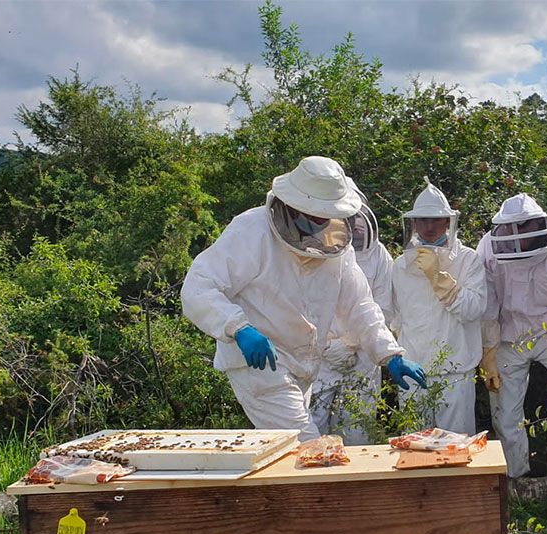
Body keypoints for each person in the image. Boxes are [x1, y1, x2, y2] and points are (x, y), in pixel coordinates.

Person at [181, 156, 426, 440]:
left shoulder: (336, 244)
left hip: (305, 367)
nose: (321, 221)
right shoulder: (252, 230)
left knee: (289, 456)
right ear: (293, 204)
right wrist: (239, 328)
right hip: (260, 363)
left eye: (326, 214)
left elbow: (359, 305)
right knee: (308, 446)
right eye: (314, 215)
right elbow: (198, 286)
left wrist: (389, 353)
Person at [476, 193, 547, 479]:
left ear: (538, 224)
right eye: (514, 229)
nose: (518, 236)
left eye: (525, 227)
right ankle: (515, 481)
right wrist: (489, 354)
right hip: (508, 335)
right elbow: (488, 307)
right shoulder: (488, 248)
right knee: (505, 413)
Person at [391, 179, 486, 435]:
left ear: (448, 222)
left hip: (455, 372)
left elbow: (473, 310)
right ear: (413, 223)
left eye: (435, 219)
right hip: (413, 371)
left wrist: (440, 279)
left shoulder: (468, 259)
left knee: (455, 449)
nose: (429, 226)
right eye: (423, 220)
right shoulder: (400, 265)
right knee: (413, 449)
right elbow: (395, 317)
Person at [309, 186, 395, 444]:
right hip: (320, 359)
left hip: (364, 359)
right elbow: (301, 308)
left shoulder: (379, 255)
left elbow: (382, 308)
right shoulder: (307, 251)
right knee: (313, 435)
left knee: (358, 433)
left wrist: (353, 342)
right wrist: (327, 345)